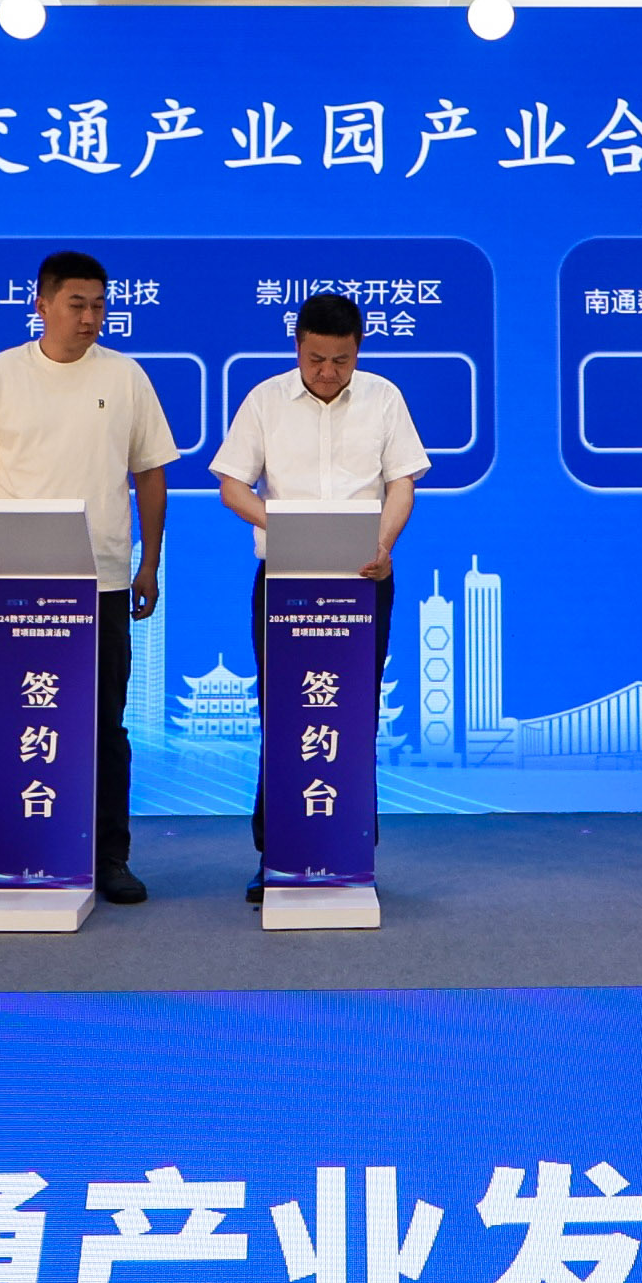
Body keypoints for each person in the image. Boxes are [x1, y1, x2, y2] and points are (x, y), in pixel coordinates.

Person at [0, 246, 176, 904]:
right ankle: (27, 849)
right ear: (42, 305)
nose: (90, 317)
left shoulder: (125, 375)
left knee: (105, 726)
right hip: (20, 583)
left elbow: (150, 475)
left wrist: (148, 562)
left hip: (103, 580)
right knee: (25, 717)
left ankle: (110, 857)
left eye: (99, 305)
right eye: (77, 304)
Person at [210, 291, 428, 899]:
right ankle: (276, 851)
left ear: (359, 349)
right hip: (286, 578)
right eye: (315, 360)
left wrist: (382, 545)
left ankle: (350, 846)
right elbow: (232, 485)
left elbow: (402, 484)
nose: (328, 373)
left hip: (363, 577)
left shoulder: (384, 398)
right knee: (284, 713)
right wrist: (284, 527)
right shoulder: (266, 400)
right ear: (297, 347)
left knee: (354, 713)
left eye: (341, 360)